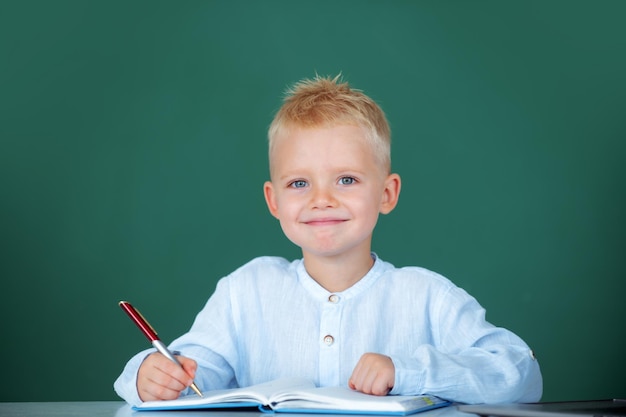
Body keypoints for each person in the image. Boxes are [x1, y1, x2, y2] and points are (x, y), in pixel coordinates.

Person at [114, 75, 542, 406]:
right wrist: (150, 376)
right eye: (299, 182)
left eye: (347, 179)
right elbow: (190, 371)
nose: (322, 199)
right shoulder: (246, 292)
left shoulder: (426, 295)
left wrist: (407, 372)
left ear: (387, 193)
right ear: (274, 200)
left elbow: (521, 373)